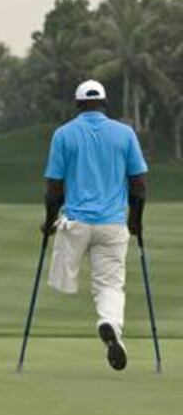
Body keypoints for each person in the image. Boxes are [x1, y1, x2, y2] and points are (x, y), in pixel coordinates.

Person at [41, 80, 148, 371]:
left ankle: (110, 331)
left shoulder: (64, 134)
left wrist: (49, 220)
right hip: (113, 223)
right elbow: (138, 183)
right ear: (105, 103)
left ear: (77, 104)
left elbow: (54, 186)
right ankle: (109, 323)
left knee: (63, 278)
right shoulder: (124, 133)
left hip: (76, 223)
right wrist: (135, 220)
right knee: (110, 284)